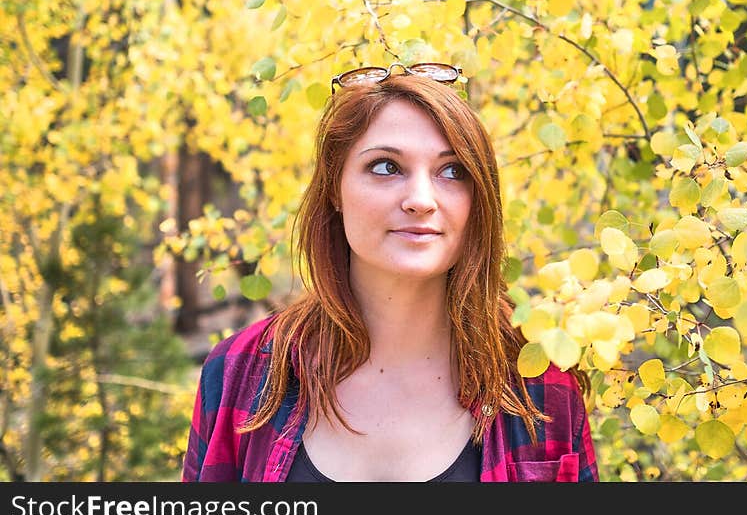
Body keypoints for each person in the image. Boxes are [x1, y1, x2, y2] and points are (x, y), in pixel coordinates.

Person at [181, 62, 599, 482]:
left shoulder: (540, 387)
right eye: (386, 166)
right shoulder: (240, 373)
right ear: (334, 190)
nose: (421, 199)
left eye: (452, 171)